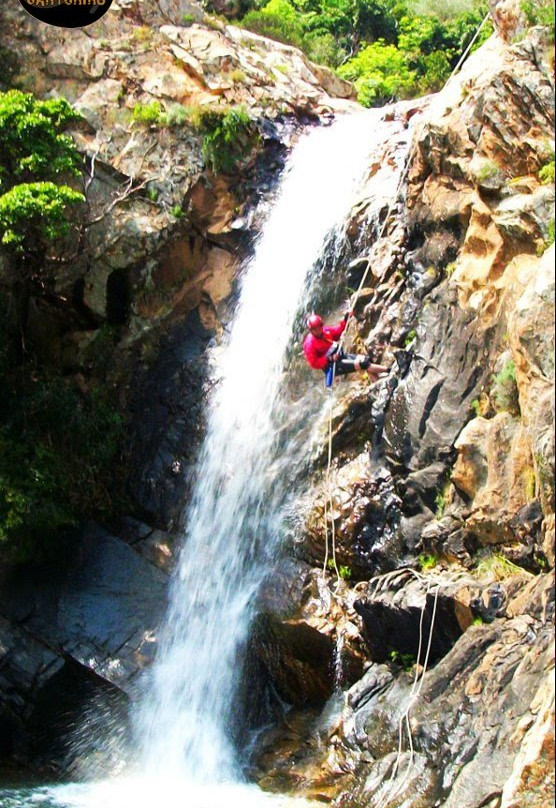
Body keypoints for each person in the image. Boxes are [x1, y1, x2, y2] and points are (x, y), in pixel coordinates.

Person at [303, 312, 389, 385]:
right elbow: (314, 363)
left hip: (341, 357)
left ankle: (377, 383)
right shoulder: (310, 344)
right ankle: (389, 370)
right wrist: (329, 359)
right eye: (315, 329)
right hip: (333, 365)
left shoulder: (325, 331)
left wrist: (345, 320)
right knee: (363, 363)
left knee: (367, 360)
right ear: (311, 330)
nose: (319, 330)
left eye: (320, 326)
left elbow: (337, 332)